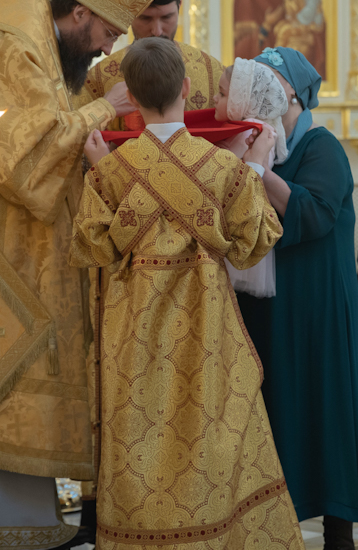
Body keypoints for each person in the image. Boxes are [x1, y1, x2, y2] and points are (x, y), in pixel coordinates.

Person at [0, 0, 156, 549]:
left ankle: (24, 520)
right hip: (2, 255)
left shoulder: (40, 49)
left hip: (30, 253)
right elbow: (21, 159)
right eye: (108, 32)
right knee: (1, 374)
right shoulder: (8, 49)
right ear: (81, 11)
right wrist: (102, 110)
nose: (109, 46)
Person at [69, 38, 303, 549]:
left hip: (133, 336)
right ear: (187, 88)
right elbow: (255, 243)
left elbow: (93, 248)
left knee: (140, 436)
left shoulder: (112, 171)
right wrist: (252, 168)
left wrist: (102, 168)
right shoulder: (223, 168)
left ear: (131, 96)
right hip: (207, 333)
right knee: (208, 435)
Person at [233, 46, 358, 549]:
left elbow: (314, 214)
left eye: (267, 80)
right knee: (275, 409)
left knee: (324, 406)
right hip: (266, 306)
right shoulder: (250, 142)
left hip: (317, 305)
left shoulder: (321, 146)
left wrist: (256, 169)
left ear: (291, 93)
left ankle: (338, 531)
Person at [81, 0, 224, 116]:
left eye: (166, 17)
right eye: (145, 18)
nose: (157, 31)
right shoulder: (96, 82)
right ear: (129, 13)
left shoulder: (214, 76)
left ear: (179, 6)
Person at [214, 58, 290, 298]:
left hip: (239, 224)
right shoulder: (255, 127)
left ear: (242, 99)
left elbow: (226, 179)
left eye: (222, 93)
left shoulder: (250, 130)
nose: (214, 98)